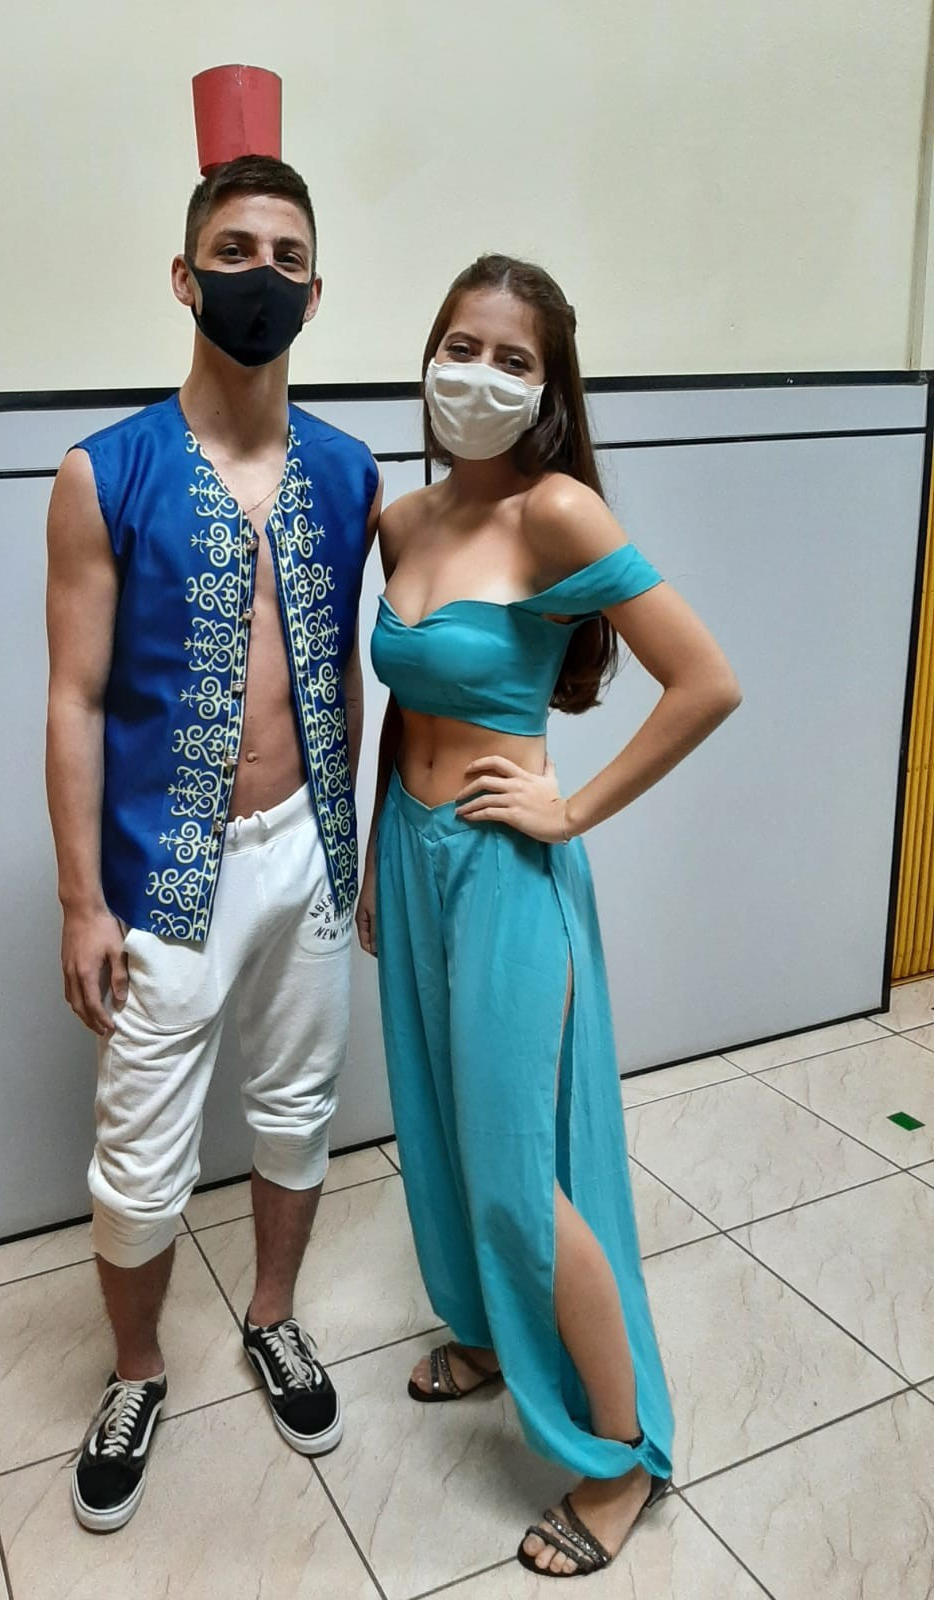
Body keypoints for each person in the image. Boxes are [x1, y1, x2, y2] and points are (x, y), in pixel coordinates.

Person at [357, 254, 741, 1578]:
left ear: (549, 387)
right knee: (439, 1125)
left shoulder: (557, 513)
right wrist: (375, 857)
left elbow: (705, 681)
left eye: (513, 360)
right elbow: (405, 704)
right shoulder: (404, 522)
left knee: (521, 1170)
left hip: (503, 869)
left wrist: (571, 811)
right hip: (411, 859)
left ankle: (620, 1458)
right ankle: (483, 1333)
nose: (480, 375)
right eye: (462, 347)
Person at [45, 153, 381, 1533]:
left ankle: (273, 1317)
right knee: (139, 1161)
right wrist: (80, 901)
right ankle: (135, 1371)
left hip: (311, 847)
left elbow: (358, 670)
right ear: (185, 279)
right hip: (162, 867)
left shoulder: (352, 475)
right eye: (235, 251)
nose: (262, 276)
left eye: (287, 256)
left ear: (317, 289)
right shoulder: (103, 473)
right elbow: (73, 698)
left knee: (298, 1110)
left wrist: (361, 844)